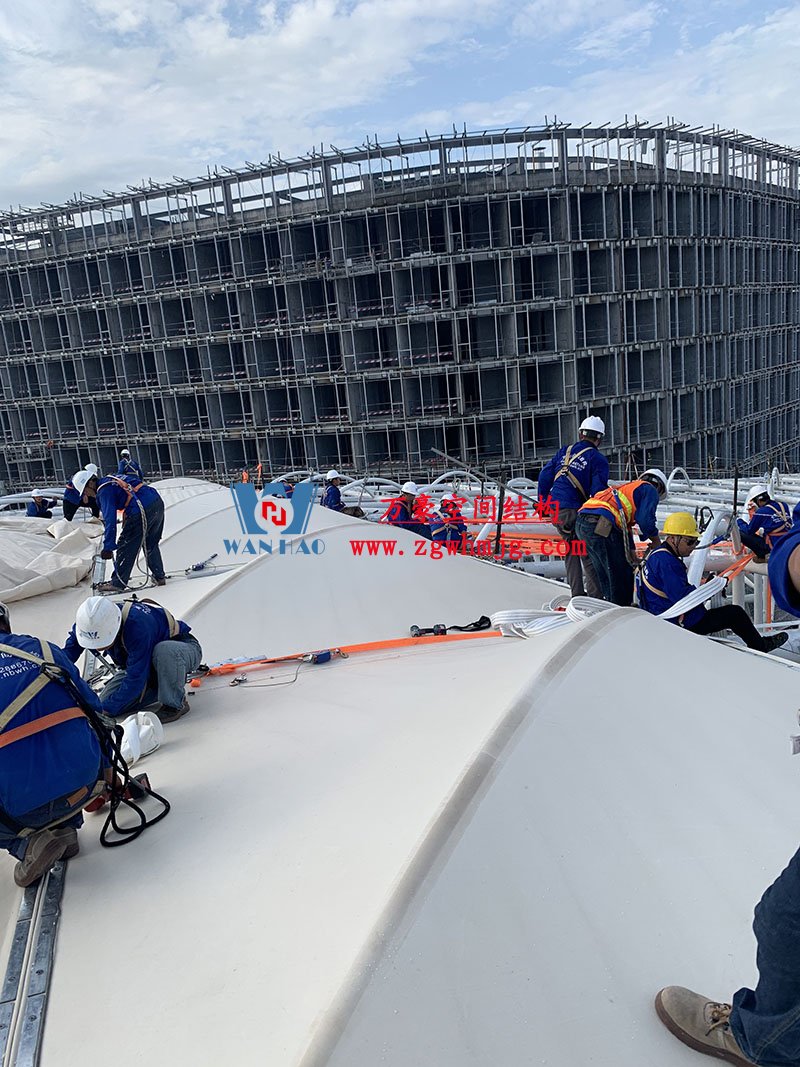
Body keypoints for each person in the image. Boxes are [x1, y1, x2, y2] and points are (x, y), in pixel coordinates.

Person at [654, 515, 800, 1065]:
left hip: (676, 620)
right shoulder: (667, 557)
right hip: (677, 624)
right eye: (689, 539)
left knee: (784, 922)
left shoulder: (656, 552)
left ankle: (765, 1041)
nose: (691, 543)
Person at [0, 600, 110, 886]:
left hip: (22, 810)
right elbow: (97, 713)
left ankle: (26, 845)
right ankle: (66, 827)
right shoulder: (44, 649)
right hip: (84, 785)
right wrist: (109, 769)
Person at [638, 512, 788, 652]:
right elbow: (684, 599)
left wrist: (707, 585)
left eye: (696, 541)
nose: (694, 546)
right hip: (677, 621)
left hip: (659, 615)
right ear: (673, 539)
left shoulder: (657, 555)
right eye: (690, 541)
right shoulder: (668, 563)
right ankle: (760, 646)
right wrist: (711, 588)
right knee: (735, 614)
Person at [64, 596, 202, 724]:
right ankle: (160, 687)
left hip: (180, 651)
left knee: (164, 650)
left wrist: (107, 708)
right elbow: (67, 655)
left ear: (115, 627)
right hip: (142, 665)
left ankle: (174, 703)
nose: (98, 648)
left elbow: (135, 678)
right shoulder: (87, 625)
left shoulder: (137, 625)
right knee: (103, 704)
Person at [537, 415, 609, 598]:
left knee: (572, 549)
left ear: (580, 434)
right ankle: (595, 598)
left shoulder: (564, 452)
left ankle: (577, 594)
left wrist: (543, 502)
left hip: (557, 510)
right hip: (575, 510)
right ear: (599, 439)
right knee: (588, 553)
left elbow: (544, 477)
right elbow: (598, 492)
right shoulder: (597, 459)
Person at [575, 468, 667, 606]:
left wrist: (631, 552)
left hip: (583, 523)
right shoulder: (650, 489)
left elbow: (625, 527)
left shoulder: (626, 489)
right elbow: (645, 520)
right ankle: (621, 609)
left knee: (605, 573)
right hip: (601, 523)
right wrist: (656, 541)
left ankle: (610, 606)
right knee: (619, 573)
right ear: (659, 487)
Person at [72, 469, 166, 593]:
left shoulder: (104, 491)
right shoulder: (111, 479)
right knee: (150, 543)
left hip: (140, 509)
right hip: (156, 502)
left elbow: (110, 520)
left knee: (125, 545)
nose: (87, 495)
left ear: (90, 483)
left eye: (85, 491)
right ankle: (159, 576)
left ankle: (118, 583)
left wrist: (108, 547)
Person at [736, 485, 791, 560]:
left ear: (758, 501)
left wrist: (739, 521)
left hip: (772, 546)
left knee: (740, 533)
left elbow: (749, 530)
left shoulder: (761, 511)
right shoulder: (783, 505)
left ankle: (762, 556)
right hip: (786, 542)